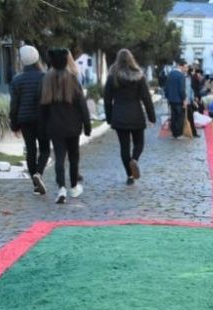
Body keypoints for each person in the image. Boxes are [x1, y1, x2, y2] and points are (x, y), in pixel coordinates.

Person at [41, 48, 92, 203]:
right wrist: (87, 125)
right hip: (73, 126)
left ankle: (61, 188)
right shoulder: (72, 79)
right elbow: (82, 104)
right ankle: (74, 186)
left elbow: (42, 107)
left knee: (59, 158)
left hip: (55, 127)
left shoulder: (47, 80)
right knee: (74, 157)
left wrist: (43, 128)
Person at [104, 48, 156, 186]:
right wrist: (152, 117)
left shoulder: (112, 77)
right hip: (136, 114)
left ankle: (129, 175)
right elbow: (146, 98)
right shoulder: (139, 76)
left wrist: (109, 118)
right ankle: (135, 159)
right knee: (139, 143)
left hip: (119, 115)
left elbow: (107, 99)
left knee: (124, 147)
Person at [9, 45, 49, 195]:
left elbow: (14, 105)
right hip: (42, 119)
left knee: (30, 150)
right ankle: (39, 173)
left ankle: (35, 183)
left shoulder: (17, 80)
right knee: (45, 149)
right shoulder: (45, 77)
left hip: (25, 120)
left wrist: (14, 126)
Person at [163, 59, 188, 138]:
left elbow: (166, 87)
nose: (186, 69)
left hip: (171, 99)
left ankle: (174, 133)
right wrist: (184, 99)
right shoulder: (181, 76)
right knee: (180, 117)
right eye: (185, 67)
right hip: (179, 100)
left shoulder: (170, 74)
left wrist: (168, 96)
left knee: (173, 116)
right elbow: (182, 89)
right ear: (181, 66)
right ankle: (179, 134)